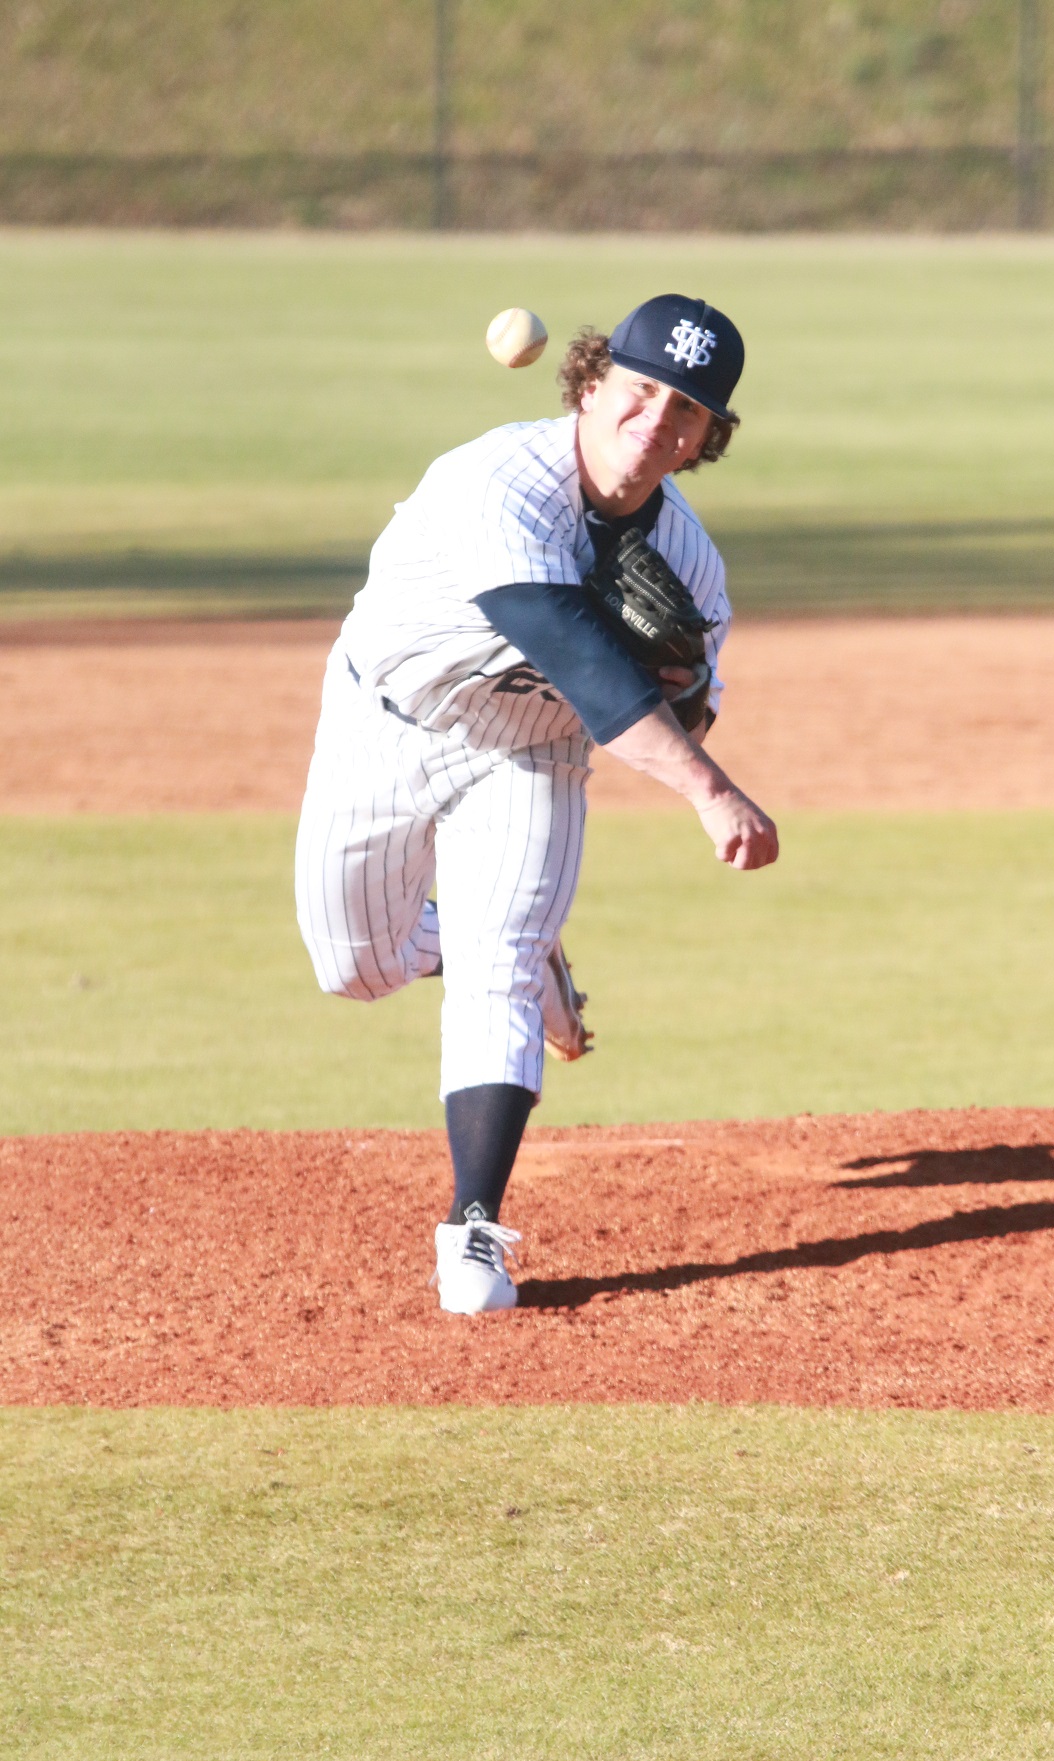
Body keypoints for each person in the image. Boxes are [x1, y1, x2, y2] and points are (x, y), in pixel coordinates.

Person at [295, 293, 778, 1315]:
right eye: (640, 391)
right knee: (352, 968)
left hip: (533, 755)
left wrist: (687, 699)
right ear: (592, 382)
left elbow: (690, 713)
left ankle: (474, 1230)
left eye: (686, 413)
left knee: (498, 971)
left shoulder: (691, 563)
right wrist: (706, 792)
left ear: (706, 440)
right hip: (389, 721)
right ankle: (484, 945)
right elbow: (559, 637)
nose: (655, 423)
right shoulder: (497, 478)